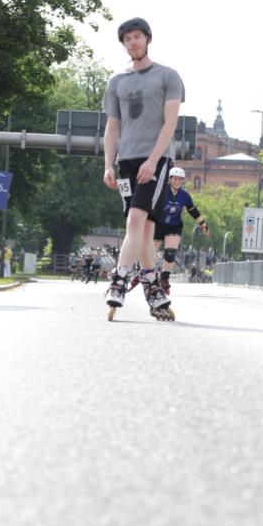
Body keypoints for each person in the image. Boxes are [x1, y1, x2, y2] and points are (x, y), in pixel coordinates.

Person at [102, 16, 185, 316]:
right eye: (127, 39)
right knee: (146, 229)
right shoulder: (116, 82)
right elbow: (112, 126)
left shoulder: (168, 76)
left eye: (137, 36)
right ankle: (153, 288)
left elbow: (171, 123)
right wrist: (108, 164)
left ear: (148, 39)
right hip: (126, 160)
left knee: (135, 221)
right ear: (123, 44)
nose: (133, 42)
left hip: (156, 160)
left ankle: (118, 280)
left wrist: (152, 160)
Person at [153, 167, 209, 294]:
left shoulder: (184, 195)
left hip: (174, 225)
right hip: (158, 224)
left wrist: (203, 224)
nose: (177, 181)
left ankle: (164, 279)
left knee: (170, 253)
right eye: (175, 179)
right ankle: (143, 272)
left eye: (180, 179)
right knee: (150, 252)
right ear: (170, 179)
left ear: (183, 181)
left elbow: (193, 211)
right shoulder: (161, 190)